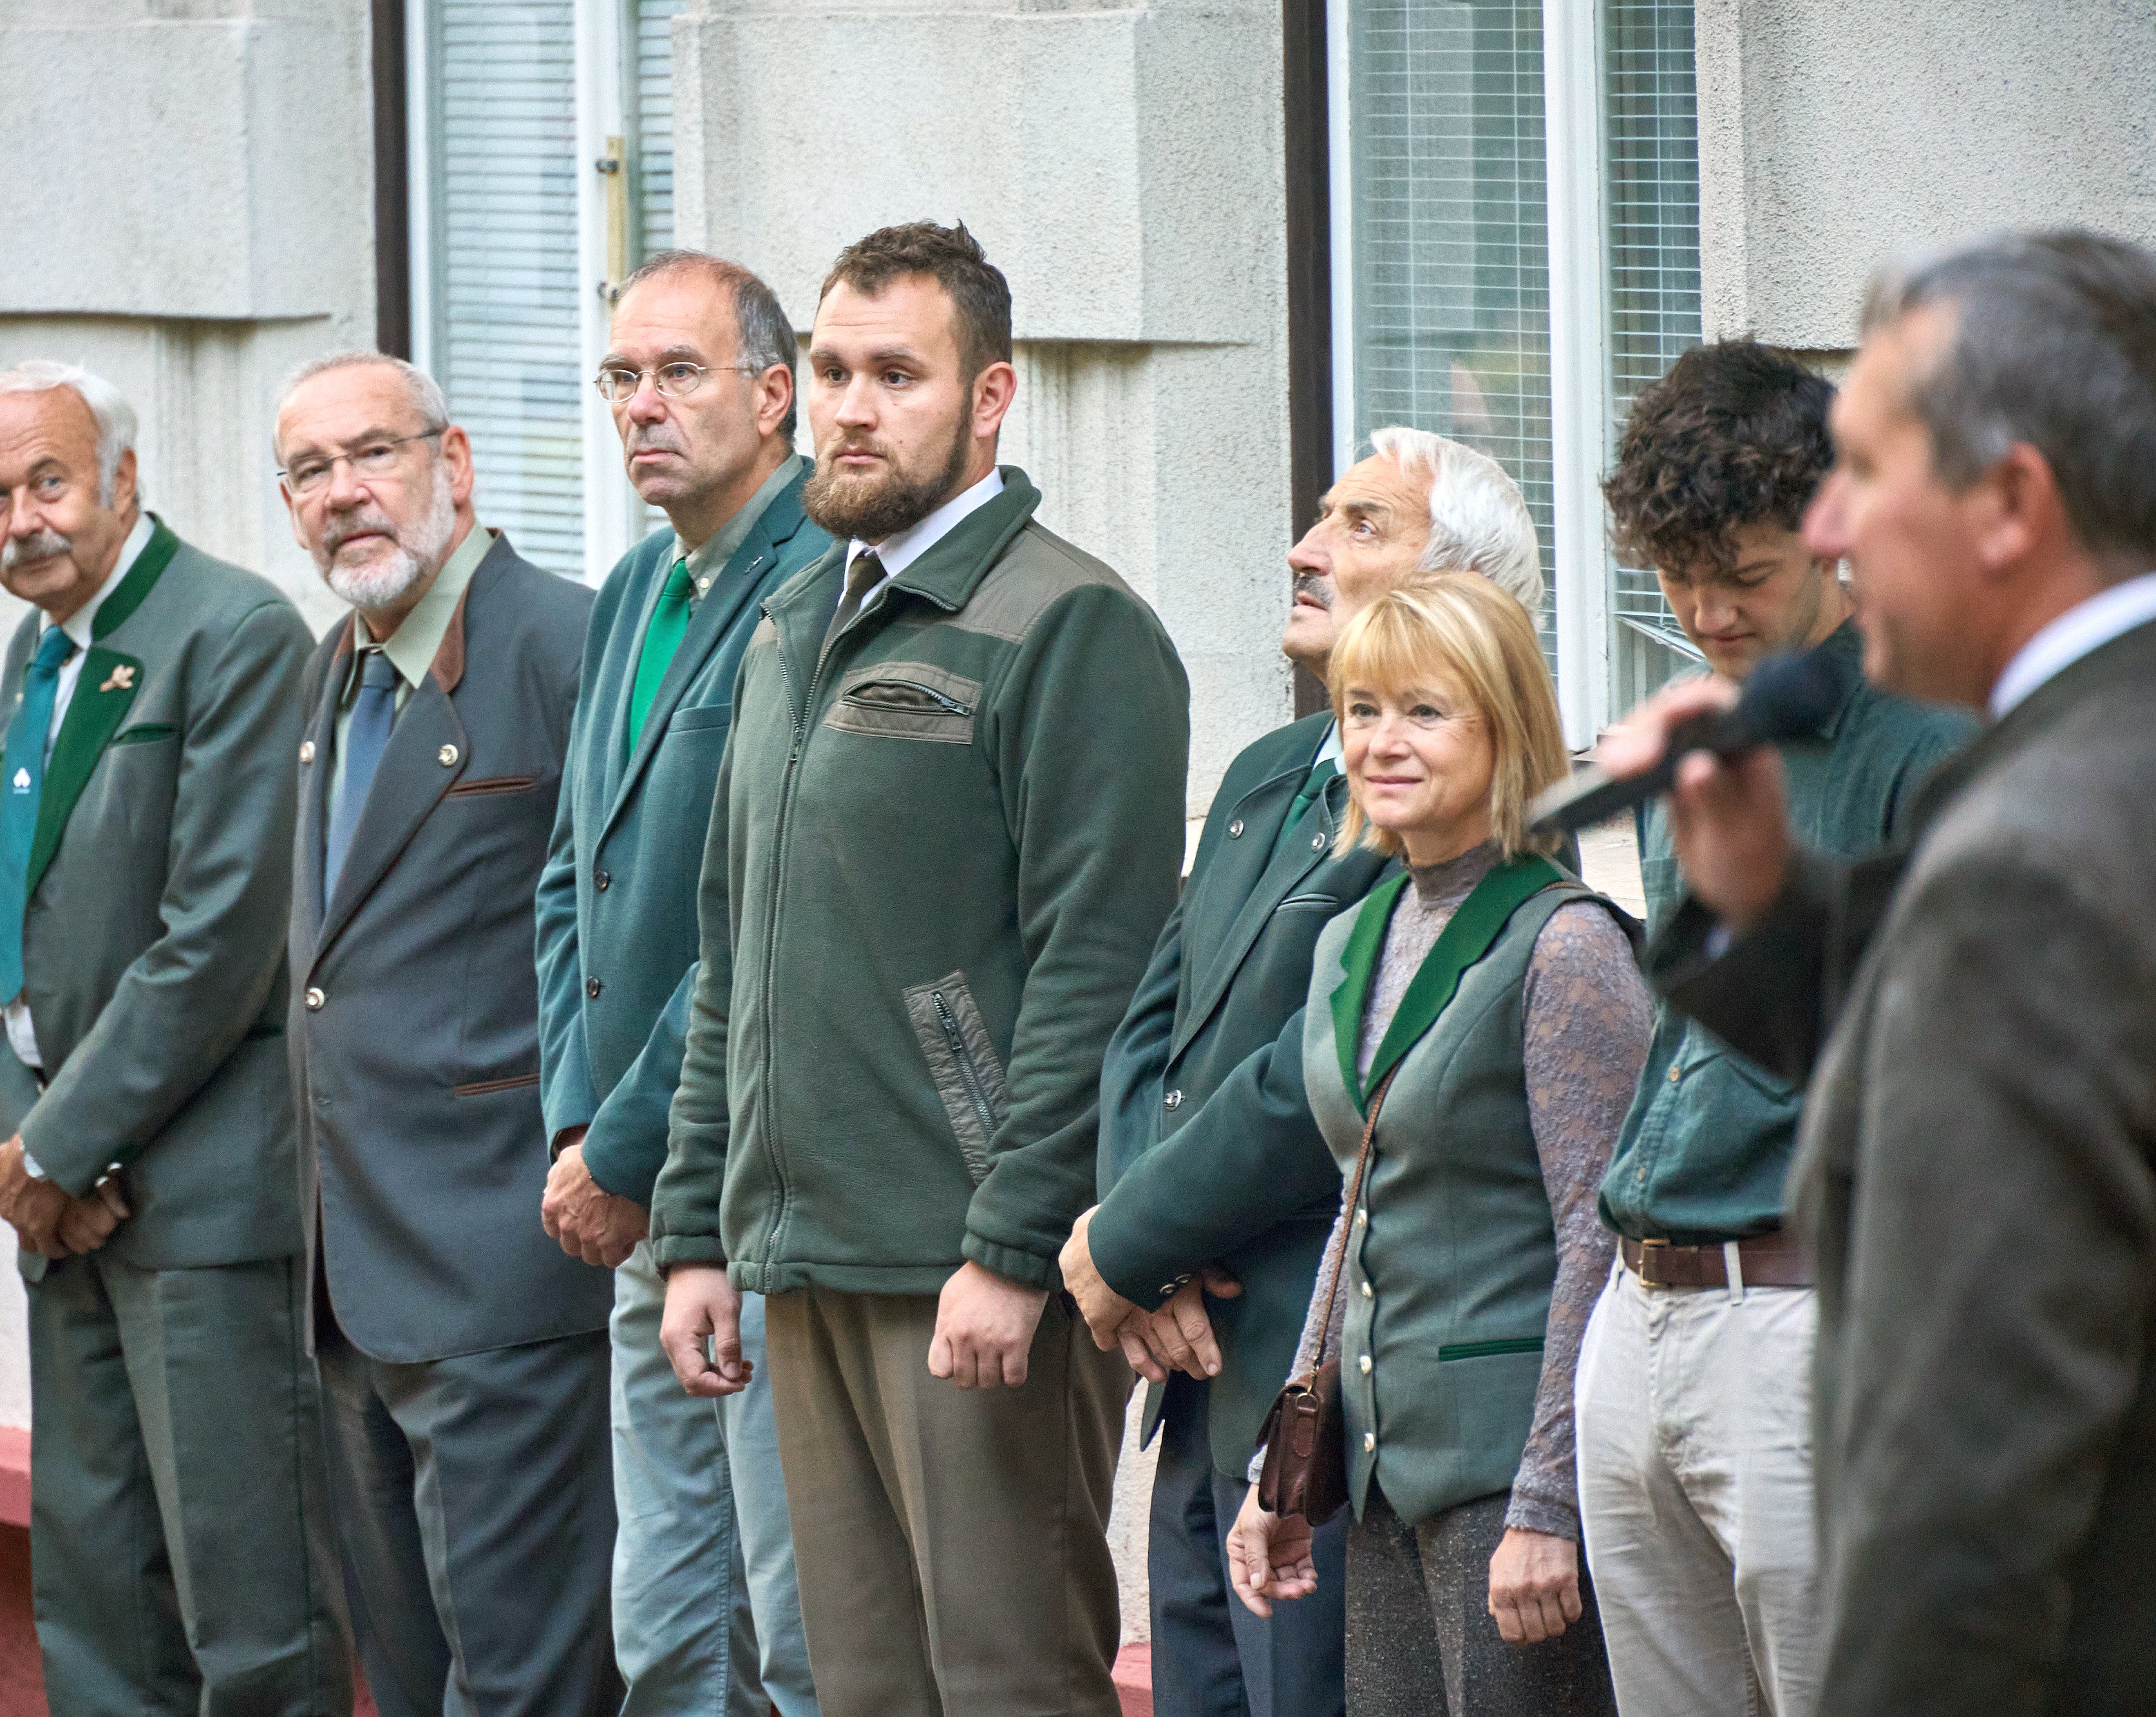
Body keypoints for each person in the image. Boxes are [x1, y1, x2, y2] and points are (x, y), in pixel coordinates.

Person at [1609, 229, 2156, 1714]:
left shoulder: (2038, 841)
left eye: (1859, 468)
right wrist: (1765, 907)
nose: (1829, 524)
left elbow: (1973, 1449)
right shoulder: (2087, 765)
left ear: (2008, 504)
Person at [649, 221, 1190, 1717]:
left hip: (969, 1267)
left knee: (1008, 1683)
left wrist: (1011, 1248)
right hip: (803, 1255)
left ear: (989, 396)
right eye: (830, 371)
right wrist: (694, 1227)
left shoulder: (1067, 623)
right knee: (861, 1690)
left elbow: (1098, 969)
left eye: (896, 374)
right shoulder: (788, 624)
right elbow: (727, 955)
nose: (850, 407)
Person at [1061, 426, 1546, 1717]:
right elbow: (1153, 1027)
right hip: (1190, 1353)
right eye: (1320, 514)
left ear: (1459, 589)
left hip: (1321, 1376)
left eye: (1359, 524)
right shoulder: (1269, 773)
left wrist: (1131, 1242)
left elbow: (1313, 1068)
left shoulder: (1456, 809)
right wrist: (1135, 1245)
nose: (1303, 548)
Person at [1574, 341, 1968, 1717]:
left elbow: (1931, 1057)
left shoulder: (1932, 733)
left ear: (1832, 531)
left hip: (1806, 1304)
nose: (1704, 611)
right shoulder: (1698, 730)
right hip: (1641, 1301)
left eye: (1741, 574)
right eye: (1675, 578)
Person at [0, 362, 346, 1716]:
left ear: (124, 481)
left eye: (49, 483)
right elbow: (7, 918)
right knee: (98, 1598)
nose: (23, 521)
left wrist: (57, 1147)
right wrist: (32, 1150)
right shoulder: (36, 650)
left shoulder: (233, 633)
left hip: (199, 1209)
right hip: (67, 1208)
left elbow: (220, 941)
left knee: (252, 1608)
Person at [1228, 574, 1647, 1717]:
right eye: (1363, 709)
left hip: (1509, 1485)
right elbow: (1355, 1207)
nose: (1382, 741)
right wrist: (1284, 1470)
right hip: (1382, 1479)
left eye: (1424, 710)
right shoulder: (1355, 934)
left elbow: (1599, 1243)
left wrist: (1549, 1502)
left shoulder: (1565, 945)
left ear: (1505, 729)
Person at [277, 352, 616, 1717]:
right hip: (352, 1289)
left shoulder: (566, 646)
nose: (343, 493)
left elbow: (637, 945)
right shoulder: (336, 667)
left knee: (523, 1689)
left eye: (374, 453)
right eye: (310, 471)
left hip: (506, 1284)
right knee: (415, 1690)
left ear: (454, 463)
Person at [536, 252, 830, 1717]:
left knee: (789, 1633)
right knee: (662, 1631)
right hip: (637, 1189)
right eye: (620, 377)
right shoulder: (634, 587)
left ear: (773, 396)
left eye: (677, 373)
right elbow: (568, 877)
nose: (640, 406)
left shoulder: (819, 580)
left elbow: (763, 920)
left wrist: (629, 1142)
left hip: (758, 1179)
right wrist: (573, 1123)